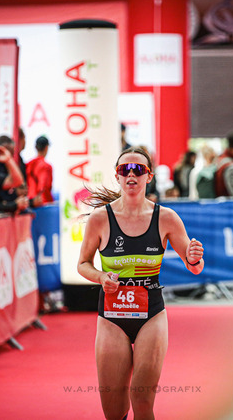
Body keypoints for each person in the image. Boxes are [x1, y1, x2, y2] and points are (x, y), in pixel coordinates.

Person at [77, 147, 204, 420]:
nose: (131, 174)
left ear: (149, 176)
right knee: (113, 410)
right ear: (117, 176)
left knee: (142, 398)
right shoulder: (100, 219)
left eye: (138, 169)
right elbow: (83, 264)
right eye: (125, 169)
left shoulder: (166, 217)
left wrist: (194, 258)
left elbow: (194, 267)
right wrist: (101, 277)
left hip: (151, 316)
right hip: (112, 318)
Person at [26, 135, 54, 204]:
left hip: (29, 202)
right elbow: (44, 187)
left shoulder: (28, 164)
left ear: (36, 147)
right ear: (46, 148)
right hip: (41, 203)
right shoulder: (46, 167)